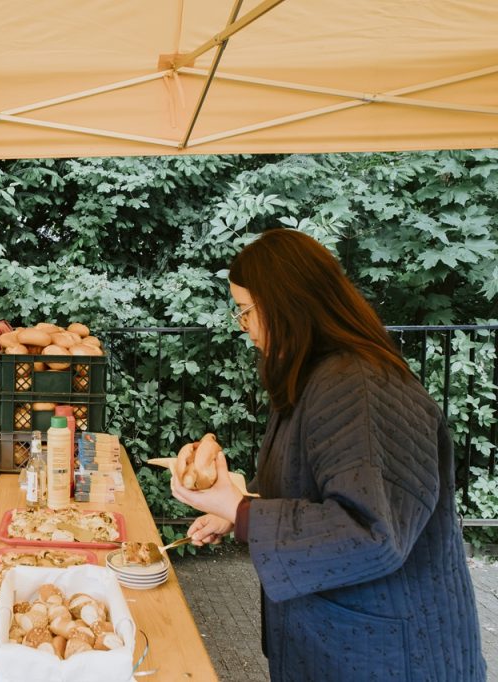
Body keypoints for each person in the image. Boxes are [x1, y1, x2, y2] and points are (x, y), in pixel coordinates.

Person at [171, 228, 486, 681]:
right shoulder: (323, 376)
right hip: (345, 643)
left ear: (286, 304)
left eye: (246, 311)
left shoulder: (360, 385)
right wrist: (240, 503)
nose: (245, 328)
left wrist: (239, 510)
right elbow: (321, 482)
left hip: (389, 656)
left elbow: (369, 532)